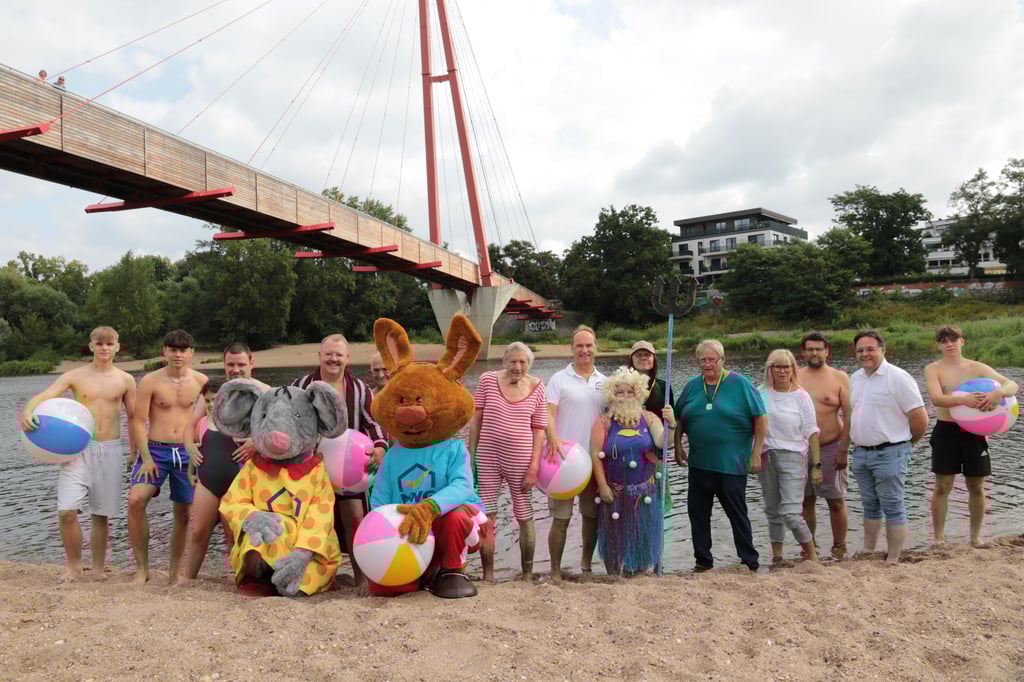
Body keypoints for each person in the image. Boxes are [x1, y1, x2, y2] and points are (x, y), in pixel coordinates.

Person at [20, 326, 136, 581]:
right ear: (91, 346)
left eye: (110, 343)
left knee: (101, 513)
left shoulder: (126, 380)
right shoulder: (75, 376)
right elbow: (46, 395)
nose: (104, 348)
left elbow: (136, 418)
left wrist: (137, 452)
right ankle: (73, 566)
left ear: (117, 346)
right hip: (77, 450)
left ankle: (96, 568)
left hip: (111, 450)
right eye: (99, 343)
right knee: (67, 511)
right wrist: (28, 411)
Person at [293, 334, 387, 586]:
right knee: (311, 523)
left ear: (347, 358)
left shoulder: (359, 389)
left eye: (339, 354)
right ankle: (316, 578)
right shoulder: (300, 385)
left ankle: (361, 579)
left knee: (355, 518)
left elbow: (374, 420)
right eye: (329, 354)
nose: (333, 359)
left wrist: (379, 446)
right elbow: (287, 420)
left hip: (349, 470)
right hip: (309, 469)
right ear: (320, 355)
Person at [181, 343, 270, 584]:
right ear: (224, 364)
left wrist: (256, 441)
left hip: (242, 478)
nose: (236, 369)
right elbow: (191, 424)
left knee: (235, 536)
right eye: (230, 364)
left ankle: (240, 580)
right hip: (209, 476)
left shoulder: (266, 393)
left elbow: (281, 433)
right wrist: (189, 447)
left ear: (251, 363)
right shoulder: (215, 392)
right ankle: (186, 580)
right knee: (198, 532)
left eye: (241, 364)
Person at [674, 339, 765, 572]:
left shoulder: (740, 384)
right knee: (698, 514)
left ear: (722, 360)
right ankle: (703, 561)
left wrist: (756, 453)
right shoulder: (693, 386)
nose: (707, 364)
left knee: (737, 514)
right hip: (699, 464)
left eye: (712, 359)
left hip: (731, 465)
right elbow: (679, 417)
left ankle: (749, 560)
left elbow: (761, 418)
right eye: (702, 360)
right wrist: (677, 445)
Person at [924, 325, 1018, 546]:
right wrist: (963, 400)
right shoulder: (933, 369)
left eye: (953, 339)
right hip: (946, 430)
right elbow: (937, 398)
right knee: (942, 486)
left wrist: (999, 393)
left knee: (976, 486)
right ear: (939, 345)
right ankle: (938, 539)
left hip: (975, 433)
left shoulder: (977, 367)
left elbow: (1012, 384)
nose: (949, 344)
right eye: (944, 340)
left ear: (962, 341)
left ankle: (975, 538)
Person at [128, 330, 207, 583]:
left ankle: (174, 573)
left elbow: (211, 418)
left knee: (183, 514)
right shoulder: (150, 381)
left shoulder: (201, 381)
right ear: (164, 352)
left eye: (183, 350)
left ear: (191, 353)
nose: (178, 354)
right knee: (136, 500)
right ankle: (142, 569)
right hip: (156, 451)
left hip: (187, 452)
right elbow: (138, 422)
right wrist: (146, 457)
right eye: (173, 349)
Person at [469, 342, 551, 582]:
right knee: (487, 516)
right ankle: (488, 576)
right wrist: (471, 453)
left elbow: (539, 429)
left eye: (523, 362)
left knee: (524, 515)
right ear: (504, 362)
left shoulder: (537, 387)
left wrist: (534, 466)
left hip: (521, 459)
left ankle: (526, 574)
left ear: (529, 364)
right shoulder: (487, 380)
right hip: (488, 456)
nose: (517, 366)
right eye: (513, 361)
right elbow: (476, 419)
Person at [849, 330, 929, 564]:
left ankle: (893, 558)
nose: (866, 354)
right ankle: (869, 551)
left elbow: (920, 419)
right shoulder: (855, 378)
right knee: (870, 505)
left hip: (891, 452)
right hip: (862, 453)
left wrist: (905, 445)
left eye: (871, 349)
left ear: (882, 349)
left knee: (893, 505)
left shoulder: (898, 377)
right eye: (861, 350)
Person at [591, 367, 675, 576]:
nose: (625, 396)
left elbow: (663, 443)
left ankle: (639, 570)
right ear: (612, 394)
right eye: (620, 392)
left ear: (638, 393)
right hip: (615, 491)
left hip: (644, 492)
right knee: (615, 537)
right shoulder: (604, 422)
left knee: (642, 534)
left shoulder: (649, 418)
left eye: (630, 391)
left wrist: (671, 424)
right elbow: (594, 455)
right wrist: (602, 486)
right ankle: (614, 573)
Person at [545, 325, 607, 582]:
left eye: (589, 345)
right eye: (579, 345)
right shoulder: (559, 379)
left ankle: (586, 567)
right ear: (571, 349)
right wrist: (553, 438)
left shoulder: (605, 382)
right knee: (561, 518)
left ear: (595, 348)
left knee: (591, 518)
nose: (584, 350)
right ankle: (556, 571)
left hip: (594, 462)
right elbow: (547, 415)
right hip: (563, 463)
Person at [759, 349, 821, 565]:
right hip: (767, 456)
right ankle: (777, 557)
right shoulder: (761, 393)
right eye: (778, 366)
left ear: (793, 369)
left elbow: (812, 431)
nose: (782, 371)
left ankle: (812, 556)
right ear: (770, 369)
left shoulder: (801, 396)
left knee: (791, 513)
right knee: (772, 510)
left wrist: (816, 465)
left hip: (794, 456)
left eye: (787, 366)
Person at [797, 332, 852, 559]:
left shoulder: (840, 378)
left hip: (831, 446)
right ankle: (810, 548)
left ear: (827, 351)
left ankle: (839, 546)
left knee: (836, 500)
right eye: (810, 349)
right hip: (801, 449)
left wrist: (844, 450)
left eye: (819, 349)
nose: (814, 353)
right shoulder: (795, 376)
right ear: (803, 352)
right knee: (805, 501)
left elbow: (849, 416)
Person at [626, 340, 674, 415]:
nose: (643, 358)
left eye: (647, 355)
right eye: (639, 355)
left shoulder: (664, 386)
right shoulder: (622, 385)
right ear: (632, 359)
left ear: (653, 359)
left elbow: (673, 422)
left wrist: (672, 422)